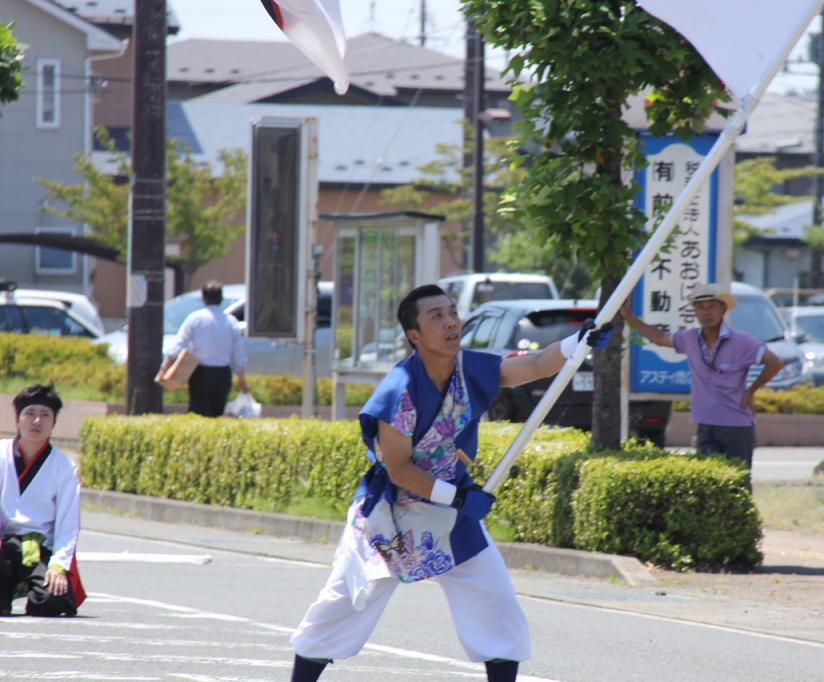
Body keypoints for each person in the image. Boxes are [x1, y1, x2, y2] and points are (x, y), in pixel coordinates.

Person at [289, 284, 610, 682]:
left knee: (495, 603)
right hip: (391, 513)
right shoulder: (399, 390)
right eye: (436, 316)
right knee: (346, 601)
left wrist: (576, 341)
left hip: (453, 513)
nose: (450, 321)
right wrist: (457, 498)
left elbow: (535, 365)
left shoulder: (471, 367)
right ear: (415, 336)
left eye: (452, 312)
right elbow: (400, 469)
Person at [622, 282, 784, 471]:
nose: (706, 312)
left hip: (736, 425)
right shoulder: (689, 339)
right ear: (695, 312)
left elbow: (775, 363)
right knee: (709, 481)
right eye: (700, 307)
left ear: (723, 309)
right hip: (705, 423)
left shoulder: (742, 342)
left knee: (738, 481)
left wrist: (751, 391)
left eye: (711, 306)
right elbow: (659, 338)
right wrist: (629, 318)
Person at [0, 384, 85, 616]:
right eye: (30, 413)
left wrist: (59, 566)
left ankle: (32, 585)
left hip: (40, 548)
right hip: (3, 547)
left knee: (50, 602)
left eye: (45, 415)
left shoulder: (64, 466)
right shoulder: (1, 455)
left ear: (54, 423)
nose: (37, 421)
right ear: (17, 419)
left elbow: (68, 524)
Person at [163, 280, 250, 417]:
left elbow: (179, 344)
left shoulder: (195, 319)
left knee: (198, 414)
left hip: (200, 373)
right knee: (217, 414)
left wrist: (167, 365)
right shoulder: (231, 322)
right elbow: (238, 355)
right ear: (220, 298)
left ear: (204, 298)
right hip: (223, 374)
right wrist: (242, 381)